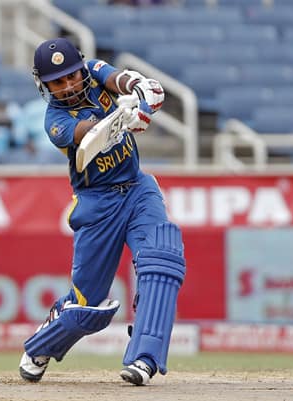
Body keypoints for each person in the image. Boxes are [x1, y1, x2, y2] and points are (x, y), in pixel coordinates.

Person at [18, 37, 186, 386]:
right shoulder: (55, 120)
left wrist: (141, 86)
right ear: (44, 85)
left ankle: (145, 358)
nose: (68, 86)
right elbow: (89, 134)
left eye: (71, 76)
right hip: (98, 204)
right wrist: (125, 117)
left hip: (138, 190)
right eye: (57, 82)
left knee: (161, 260)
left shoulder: (92, 71)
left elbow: (117, 79)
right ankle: (42, 344)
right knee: (86, 304)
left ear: (80, 67)